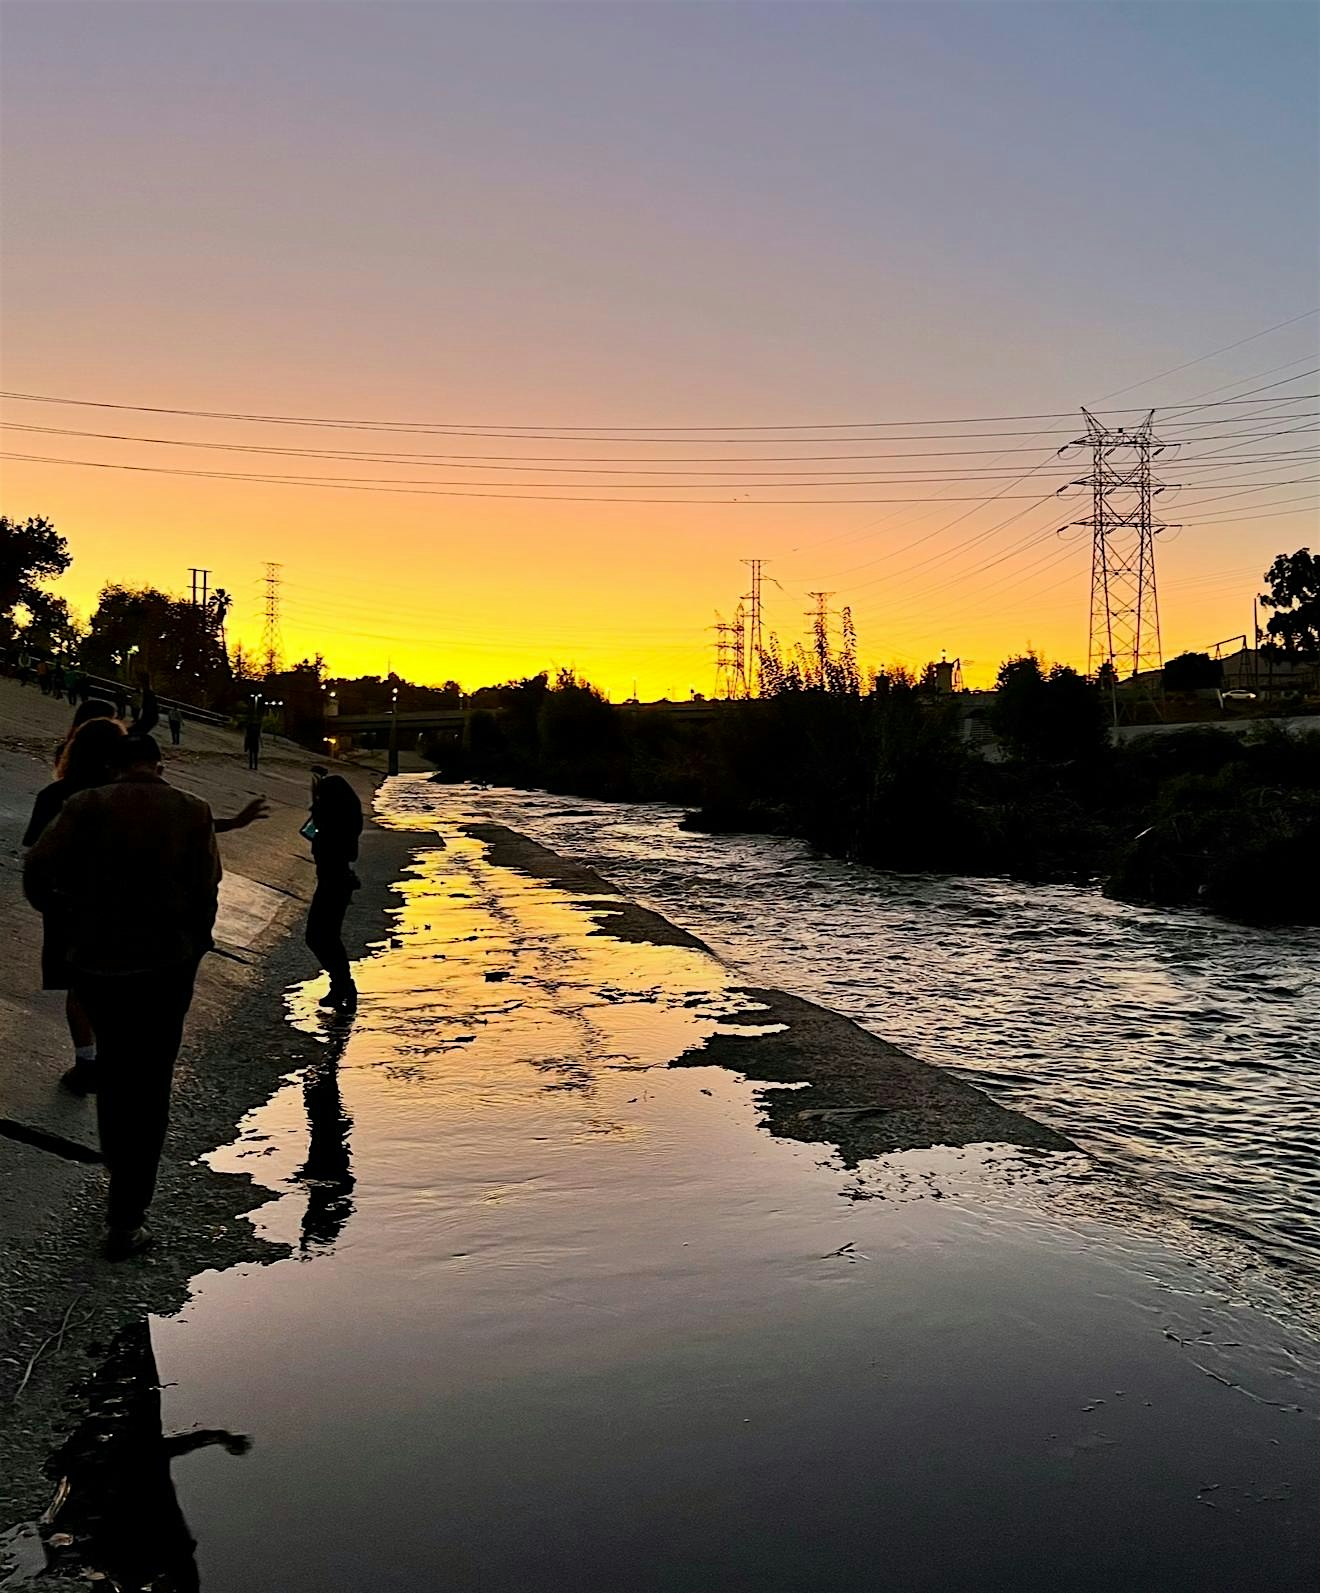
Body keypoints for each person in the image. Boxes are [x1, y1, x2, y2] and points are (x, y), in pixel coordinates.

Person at [24, 735, 221, 1258]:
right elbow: (208, 891)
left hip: (99, 963)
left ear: (115, 766)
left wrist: (68, 922)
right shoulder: (193, 810)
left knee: (113, 1076)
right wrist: (194, 947)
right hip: (167, 968)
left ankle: (119, 1188)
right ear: (160, 764)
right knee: (151, 1085)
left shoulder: (85, 804)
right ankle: (127, 1219)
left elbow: (36, 872)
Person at [23, 717, 128, 1093]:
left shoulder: (55, 795)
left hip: (66, 903)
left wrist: (44, 901)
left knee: (77, 986)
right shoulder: (122, 796)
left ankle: (86, 1062)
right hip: (117, 903)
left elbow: (35, 851)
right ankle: (111, 1060)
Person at [304, 768, 363, 1012]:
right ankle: (341, 985)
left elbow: (337, 852)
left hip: (333, 884)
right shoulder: (341, 825)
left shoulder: (333, 827)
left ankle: (343, 985)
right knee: (325, 937)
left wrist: (318, 814)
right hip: (336, 883)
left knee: (320, 936)